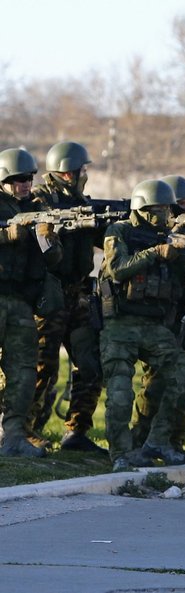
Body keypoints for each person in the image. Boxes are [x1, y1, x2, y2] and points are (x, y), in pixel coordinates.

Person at [99, 179, 185, 471]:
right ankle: (120, 454)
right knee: (119, 392)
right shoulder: (119, 232)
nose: (167, 214)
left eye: (169, 208)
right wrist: (155, 252)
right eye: (161, 209)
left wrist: (182, 254)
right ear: (143, 209)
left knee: (183, 375)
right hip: (120, 324)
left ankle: (157, 441)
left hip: (154, 326)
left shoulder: (168, 236)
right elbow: (117, 270)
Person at [29, 141, 107, 455]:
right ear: (68, 171)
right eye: (82, 170)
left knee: (90, 365)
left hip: (78, 295)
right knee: (42, 368)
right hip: (49, 297)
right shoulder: (41, 199)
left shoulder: (83, 202)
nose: (85, 175)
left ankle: (76, 432)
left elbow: (102, 241)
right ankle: (26, 431)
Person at [130, 174, 185, 456]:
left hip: (184, 315)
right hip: (162, 317)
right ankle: (141, 435)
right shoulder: (152, 236)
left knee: (184, 379)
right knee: (156, 381)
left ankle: (174, 439)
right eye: (180, 204)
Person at [0, 147, 61, 458]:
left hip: (22, 303)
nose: (26, 184)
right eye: (19, 179)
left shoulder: (39, 207)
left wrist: (47, 237)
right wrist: (8, 234)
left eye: (29, 179)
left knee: (24, 369)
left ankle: (13, 435)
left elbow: (55, 259)